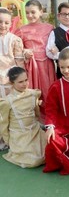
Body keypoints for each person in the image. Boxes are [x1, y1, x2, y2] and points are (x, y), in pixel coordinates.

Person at [14, 0, 56, 122]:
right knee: (32, 92)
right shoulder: (21, 30)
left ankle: (49, 120)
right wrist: (24, 52)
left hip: (47, 65)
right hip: (32, 66)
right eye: (27, 13)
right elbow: (16, 48)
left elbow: (54, 43)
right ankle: (35, 121)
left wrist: (54, 49)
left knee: (48, 92)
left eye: (33, 12)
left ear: (41, 12)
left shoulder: (49, 28)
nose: (30, 15)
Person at [0, 67, 46, 168]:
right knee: (34, 161)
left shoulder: (33, 94)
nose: (25, 84)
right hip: (19, 135)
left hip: (35, 131)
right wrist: (9, 142)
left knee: (49, 153)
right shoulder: (7, 101)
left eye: (26, 80)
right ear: (12, 83)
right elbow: (3, 124)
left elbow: (37, 114)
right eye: (20, 82)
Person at [0, 8, 26, 150]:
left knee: (14, 112)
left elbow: (19, 62)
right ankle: (2, 140)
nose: (3, 25)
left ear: (11, 23)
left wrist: (19, 82)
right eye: (0, 22)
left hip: (11, 83)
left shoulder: (15, 40)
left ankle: (15, 141)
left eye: (6, 22)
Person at [46, 2, 69, 78]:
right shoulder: (54, 33)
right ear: (59, 16)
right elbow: (49, 52)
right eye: (64, 14)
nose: (67, 17)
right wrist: (60, 54)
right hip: (64, 73)